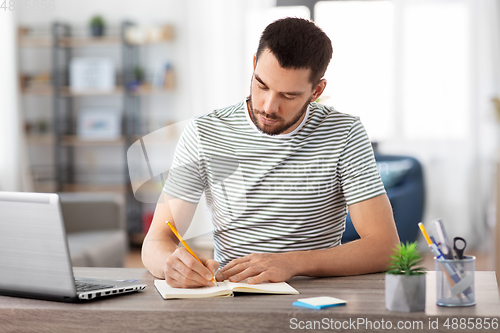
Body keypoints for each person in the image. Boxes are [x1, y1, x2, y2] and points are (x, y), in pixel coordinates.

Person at [141, 17, 400, 288]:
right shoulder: (204, 132)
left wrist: (292, 263)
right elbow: (157, 240)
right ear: (254, 65)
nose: (268, 106)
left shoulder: (344, 133)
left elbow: (384, 246)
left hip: (316, 295)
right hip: (232, 294)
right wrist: (171, 264)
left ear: (317, 91)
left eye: (288, 96)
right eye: (261, 84)